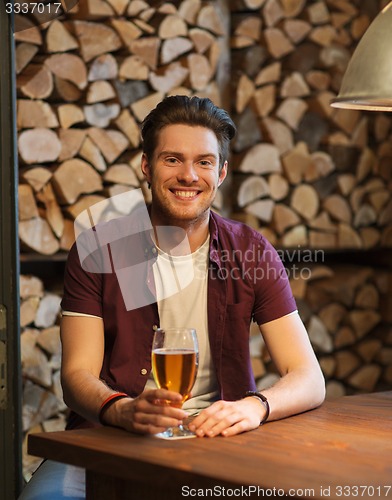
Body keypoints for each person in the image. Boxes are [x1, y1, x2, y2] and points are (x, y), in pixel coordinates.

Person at [19, 95, 325, 499]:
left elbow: (309, 378)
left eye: (204, 162)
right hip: (110, 437)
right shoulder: (101, 248)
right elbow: (76, 377)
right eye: (172, 159)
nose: (189, 175)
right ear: (147, 166)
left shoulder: (250, 250)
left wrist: (254, 406)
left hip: (216, 439)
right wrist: (121, 410)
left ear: (222, 173)